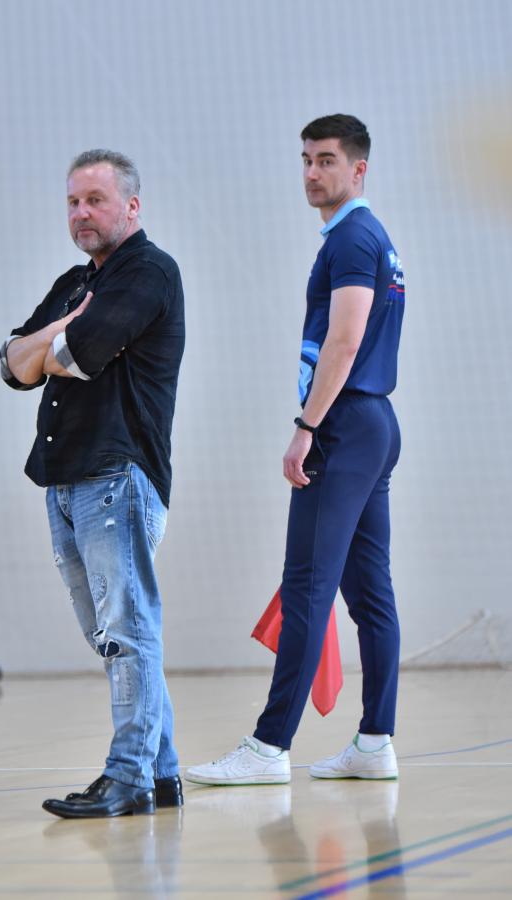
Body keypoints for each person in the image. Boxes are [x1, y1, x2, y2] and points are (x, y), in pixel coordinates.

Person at [186, 114, 405, 786]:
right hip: (373, 425)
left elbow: (345, 339)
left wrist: (306, 427)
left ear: (358, 169)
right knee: (369, 593)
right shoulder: (367, 237)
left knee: (308, 585)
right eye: (306, 159)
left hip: (343, 426)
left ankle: (268, 746)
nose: (312, 172)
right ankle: (375, 742)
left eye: (327, 160)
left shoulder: (353, 238)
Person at [0, 149, 185, 817]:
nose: (81, 212)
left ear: (131, 206)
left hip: (117, 476)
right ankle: (160, 775)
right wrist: (58, 330)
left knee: (128, 632)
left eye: (95, 200)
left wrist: (51, 345)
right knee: (113, 636)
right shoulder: (75, 283)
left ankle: (127, 777)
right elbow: (12, 365)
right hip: (65, 480)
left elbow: (77, 357)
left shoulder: (150, 273)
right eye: (73, 201)